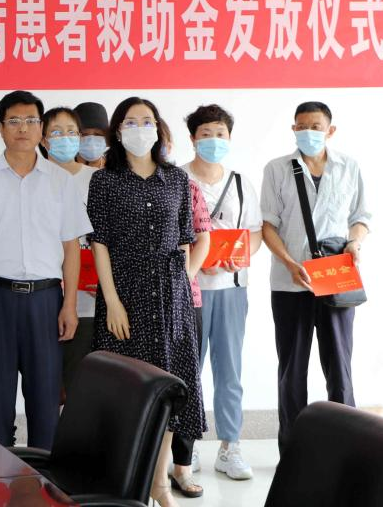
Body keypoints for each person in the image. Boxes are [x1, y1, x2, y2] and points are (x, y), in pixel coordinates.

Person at [86, 97, 205, 507]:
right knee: (128, 392)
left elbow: (186, 239)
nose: (140, 128)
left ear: (159, 128)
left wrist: (180, 292)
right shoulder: (104, 180)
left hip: (171, 296)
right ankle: (124, 485)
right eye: (131, 122)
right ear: (118, 131)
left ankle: (159, 484)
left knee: (169, 390)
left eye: (147, 120)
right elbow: (100, 243)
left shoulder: (176, 179)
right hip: (126, 293)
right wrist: (112, 301)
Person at [0, 92, 88, 448]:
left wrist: (69, 305)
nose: (22, 128)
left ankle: (44, 478)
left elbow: (71, 247)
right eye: (14, 121)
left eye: (30, 121)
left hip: (46, 301)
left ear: (41, 128)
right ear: (0, 129)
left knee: (45, 402)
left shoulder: (61, 181)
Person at [260, 101, 369, 453]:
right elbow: (268, 225)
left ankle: (346, 449)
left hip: (336, 279)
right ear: (293, 129)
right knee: (292, 370)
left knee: (340, 368)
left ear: (330, 130)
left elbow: (361, 217)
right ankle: (293, 452)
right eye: (302, 126)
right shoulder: (277, 169)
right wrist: (290, 263)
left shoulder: (348, 167)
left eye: (316, 126)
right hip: (290, 282)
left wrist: (354, 242)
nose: (309, 132)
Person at [183, 104, 263, 481]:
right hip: (189, 290)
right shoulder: (176, 179)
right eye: (206, 134)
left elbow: (254, 233)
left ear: (229, 139)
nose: (213, 141)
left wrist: (239, 258)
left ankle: (230, 446)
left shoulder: (241, 183)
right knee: (188, 369)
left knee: (230, 369)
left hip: (232, 289)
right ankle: (187, 446)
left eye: (220, 134)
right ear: (193, 138)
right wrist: (198, 261)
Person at [162, 119, 211, 498]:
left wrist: (183, 279)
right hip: (140, 301)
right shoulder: (117, 185)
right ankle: (148, 467)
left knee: (183, 383)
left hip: (185, 299)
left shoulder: (185, 185)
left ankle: (182, 466)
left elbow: (202, 238)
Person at [37, 106, 96, 397]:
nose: (65, 138)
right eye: (57, 132)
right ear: (43, 139)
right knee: (47, 382)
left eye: (71, 132)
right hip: (43, 293)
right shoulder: (34, 178)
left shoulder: (98, 179)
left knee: (81, 381)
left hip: (89, 298)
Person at [75, 102, 109, 169]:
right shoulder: (62, 169)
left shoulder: (115, 169)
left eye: (98, 134)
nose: (91, 140)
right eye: (84, 134)